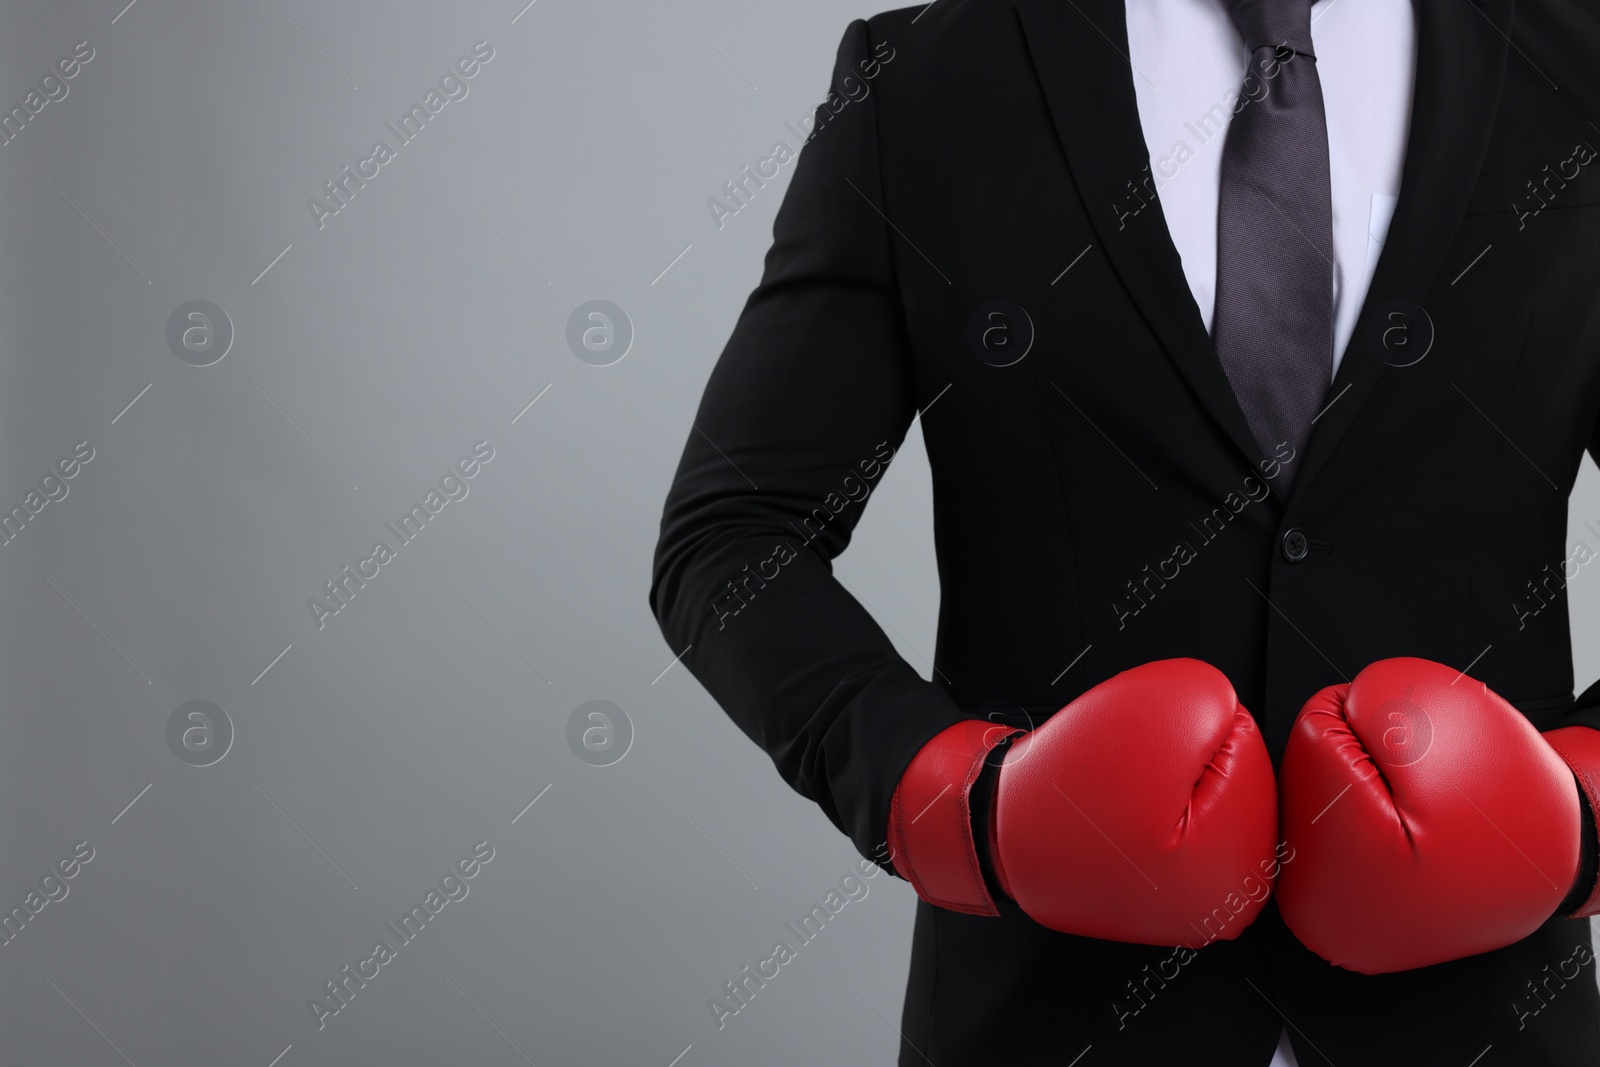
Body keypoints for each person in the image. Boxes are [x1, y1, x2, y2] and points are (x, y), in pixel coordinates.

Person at [650, 0, 1600, 1062]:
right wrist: (952, 800)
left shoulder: (1578, 68)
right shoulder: (924, 79)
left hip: (1487, 1026)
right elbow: (733, 534)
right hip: (1050, 1020)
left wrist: (1585, 813)